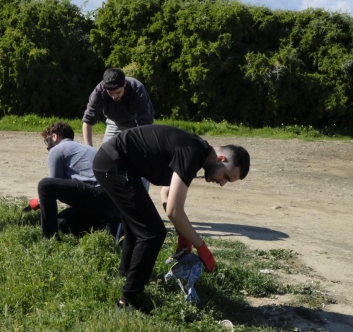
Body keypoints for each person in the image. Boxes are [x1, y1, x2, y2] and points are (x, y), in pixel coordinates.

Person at [91, 124, 250, 310]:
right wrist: (202, 247)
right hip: (113, 163)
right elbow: (173, 211)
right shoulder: (192, 153)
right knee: (153, 232)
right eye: (226, 177)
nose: (222, 183)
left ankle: (126, 275)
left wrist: (183, 234)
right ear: (221, 159)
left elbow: (166, 194)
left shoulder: (197, 152)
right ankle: (127, 301)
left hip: (118, 164)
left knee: (139, 227)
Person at [27, 122, 120, 239]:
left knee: (44, 185)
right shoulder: (84, 148)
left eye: (47, 141)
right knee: (60, 223)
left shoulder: (57, 149)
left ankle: (48, 238)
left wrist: (39, 202)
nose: (47, 146)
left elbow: (53, 183)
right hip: (112, 200)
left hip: (97, 194)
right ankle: (108, 226)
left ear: (54, 137)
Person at [82, 68, 155, 191]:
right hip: (114, 123)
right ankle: (113, 197)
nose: (114, 96)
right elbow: (87, 122)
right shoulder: (99, 90)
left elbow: (145, 125)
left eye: (118, 92)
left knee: (141, 161)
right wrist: (89, 151)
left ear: (124, 84)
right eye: (111, 94)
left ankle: (142, 197)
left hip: (138, 124)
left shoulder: (137, 88)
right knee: (106, 160)